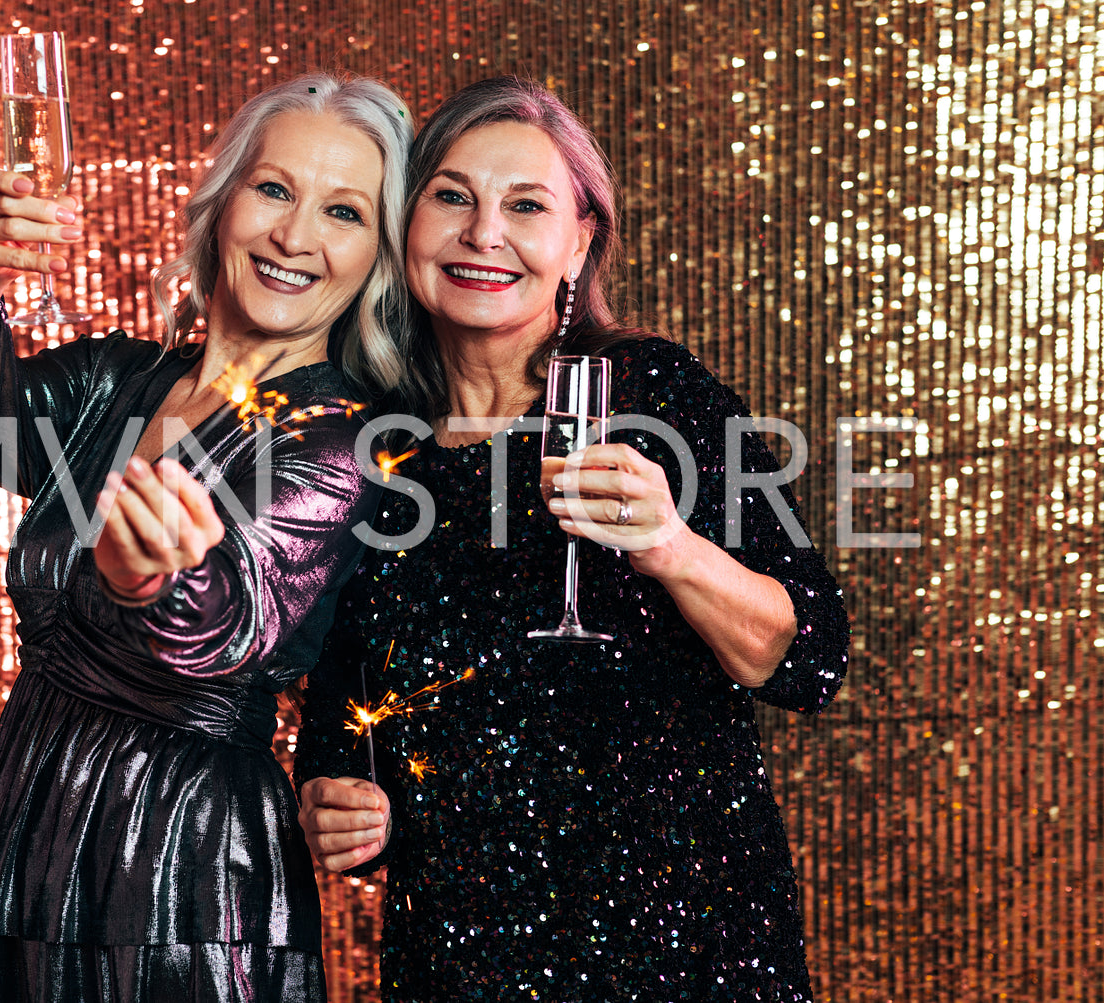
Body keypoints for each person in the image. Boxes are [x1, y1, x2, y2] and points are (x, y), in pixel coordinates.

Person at [294, 75, 849, 1001]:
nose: (483, 234)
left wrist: (672, 545)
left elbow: (810, 657)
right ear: (406, 225)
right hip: (463, 951)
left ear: (578, 238)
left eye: (525, 205)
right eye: (451, 198)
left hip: (686, 944)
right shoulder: (365, 444)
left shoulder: (655, 395)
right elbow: (340, 710)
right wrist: (336, 799)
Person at [0, 71, 413, 1003]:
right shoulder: (114, 383)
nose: (295, 237)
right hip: (28, 824)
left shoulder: (338, 439)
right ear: (222, 203)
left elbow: (227, 620)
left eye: (344, 213)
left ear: (377, 256)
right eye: (275, 190)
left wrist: (142, 582)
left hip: (179, 862)